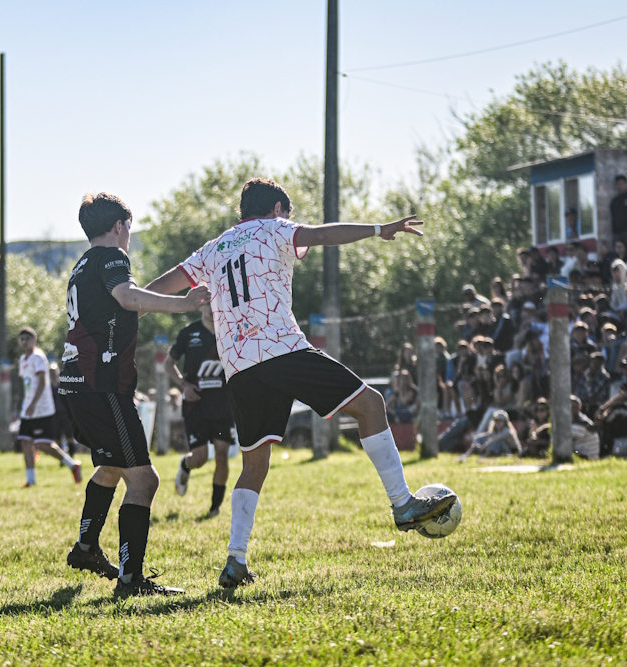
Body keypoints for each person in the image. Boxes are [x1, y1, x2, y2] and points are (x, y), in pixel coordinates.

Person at [144, 177, 455, 589]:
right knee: (371, 405)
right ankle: (402, 504)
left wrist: (129, 305)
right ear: (276, 209)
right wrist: (381, 229)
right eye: (287, 215)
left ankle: (235, 560)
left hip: (238, 368)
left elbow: (160, 287)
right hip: (281, 350)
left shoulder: (214, 248)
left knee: (254, 464)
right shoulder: (275, 228)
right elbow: (323, 235)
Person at [61, 192, 209, 597]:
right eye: (130, 227)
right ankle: (131, 581)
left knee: (110, 467)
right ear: (120, 226)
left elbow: (123, 308)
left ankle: (86, 549)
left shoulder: (81, 266)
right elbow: (128, 297)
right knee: (144, 480)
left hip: (77, 384)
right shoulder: (113, 258)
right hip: (103, 386)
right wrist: (184, 303)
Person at [165, 301, 235, 518]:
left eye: (216, 302)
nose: (212, 309)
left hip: (223, 407)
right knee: (200, 458)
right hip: (196, 407)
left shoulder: (231, 329)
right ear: (201, 306)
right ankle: (185, 465)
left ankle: (214, 508)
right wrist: (184, 385)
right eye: (208, 304)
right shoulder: (189, 333)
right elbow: (169, 364)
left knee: (222, 456)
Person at [17, 326, 81, 487]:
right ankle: (31, 480)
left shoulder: (38, 358)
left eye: (28, 339)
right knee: (25, 442)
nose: (24, 342)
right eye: (22, 339)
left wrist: (32, 404)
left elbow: (42, 383)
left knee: (42, 445)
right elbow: (27, 384)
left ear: (34, 340)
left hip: (41, 409)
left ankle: (72, 465)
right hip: (28, 409)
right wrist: (26, 404)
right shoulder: (22, 360)